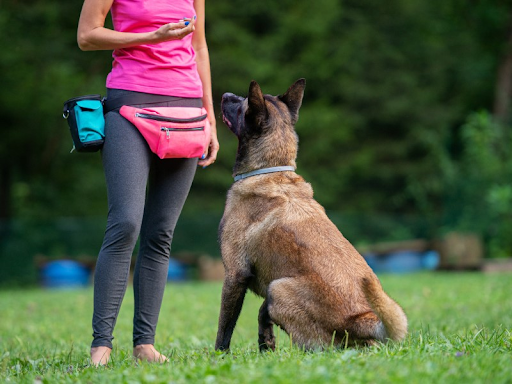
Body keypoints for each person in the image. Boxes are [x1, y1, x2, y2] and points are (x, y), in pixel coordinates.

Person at [77, 0, 219, 365]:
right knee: (125, 222)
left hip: (187, 109)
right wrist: (149, 37)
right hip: (129, 104)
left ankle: (145, 344)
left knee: (160, 233)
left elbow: (199, 46)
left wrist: (210, 118)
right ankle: (101, 345)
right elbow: (86, 36)